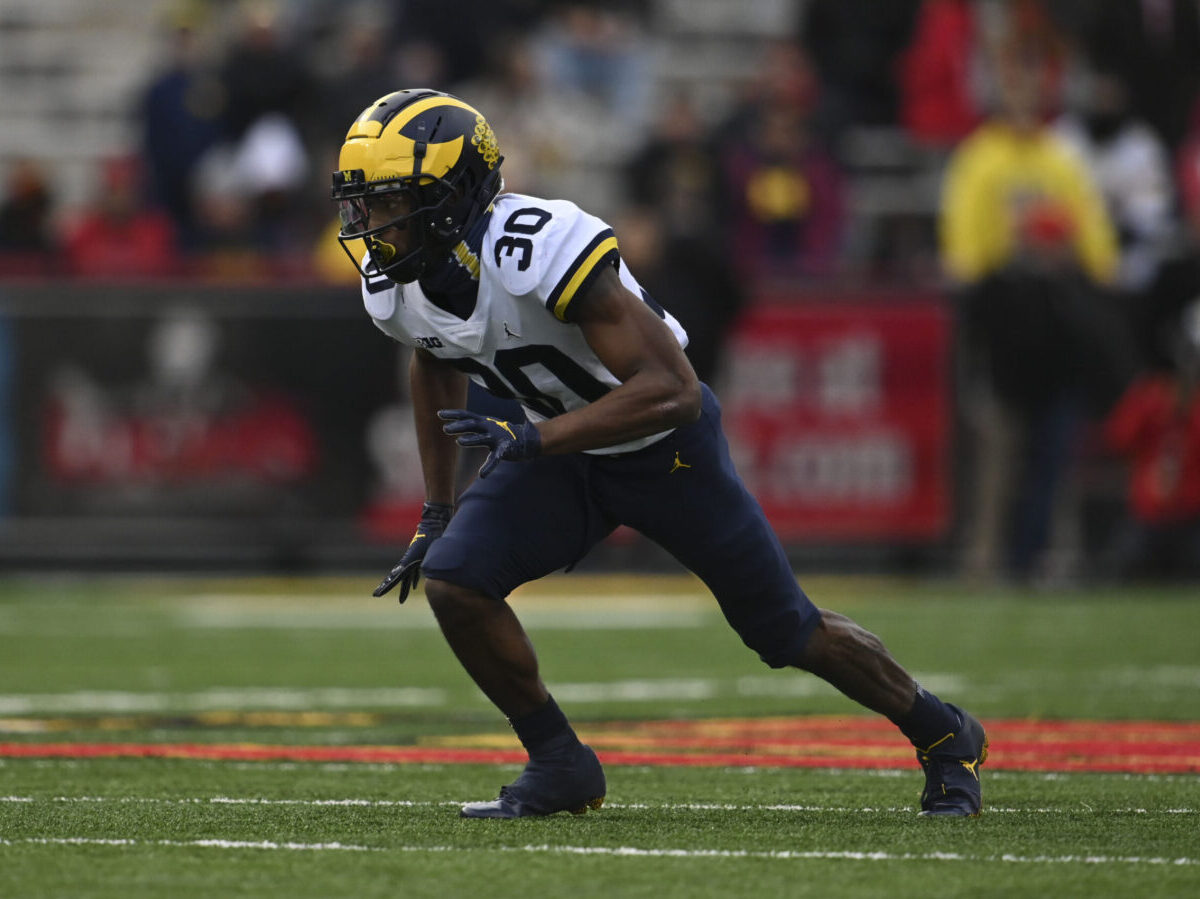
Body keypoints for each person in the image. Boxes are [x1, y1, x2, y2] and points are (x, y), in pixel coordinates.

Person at [330, 89, 987, 819]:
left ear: (451, 197)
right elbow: (432, 356)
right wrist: (437, 505)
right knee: (456, 580)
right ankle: (561, 762)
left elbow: (672, 388)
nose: (372, 224)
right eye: (366, 205)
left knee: (786, 630)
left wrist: (538, 437)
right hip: (558, 446)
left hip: (661, 446)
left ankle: (942, 731)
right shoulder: (399, 286)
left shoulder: (535, 246)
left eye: (390, 202)